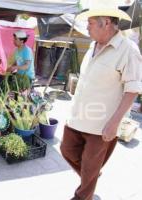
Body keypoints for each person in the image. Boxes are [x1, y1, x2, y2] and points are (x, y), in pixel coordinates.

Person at [60, 1, 142, 200]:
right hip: (78, 117)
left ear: (106, 23)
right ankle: (91, 176)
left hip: (101, 125)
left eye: (90, 23)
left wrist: (114, 124)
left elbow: (132, 90)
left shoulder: (128, 50)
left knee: (89, 166)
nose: (87, 27)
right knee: (66, 149)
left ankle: (83, 195)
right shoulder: (92, 46)